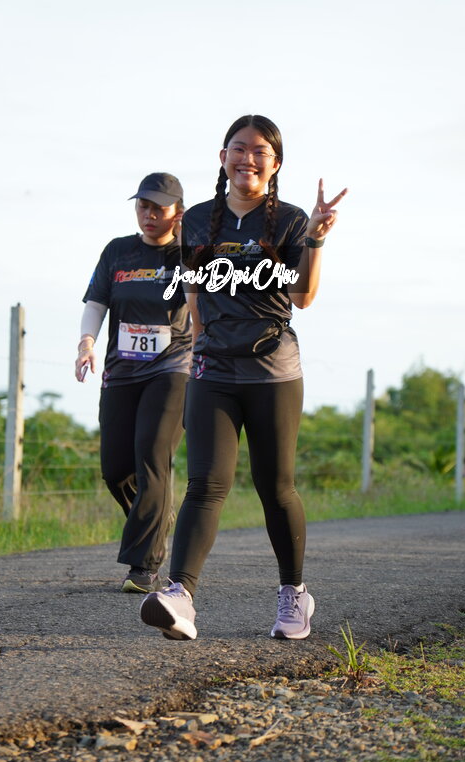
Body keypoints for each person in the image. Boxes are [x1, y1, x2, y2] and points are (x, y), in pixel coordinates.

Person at [139, 115, 347, 639]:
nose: (247, 158)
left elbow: (302, 297)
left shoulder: (292, 220)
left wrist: (315, 240)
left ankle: (294, 594)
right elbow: (194, 296)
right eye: (238, 148)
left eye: (259, 151)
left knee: (275, 487)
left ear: (275, 164)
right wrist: (201, 350)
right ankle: (180, 596)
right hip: (214, 368)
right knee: (205, 483)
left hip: (273, 369)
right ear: (222, 157)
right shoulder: (196, 221)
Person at [75, 173, 191, 593]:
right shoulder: (118, 251)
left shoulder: (190, 256)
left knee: (152, 457)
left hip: (173, 367)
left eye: (159, 207)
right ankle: (157, 521)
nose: (149, 214)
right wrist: (86, 343)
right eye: (143, 206)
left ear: (178, 212)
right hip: (121, 371)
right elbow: (96, 302)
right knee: (115, 469)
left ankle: (143, 566)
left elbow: (208, 301)